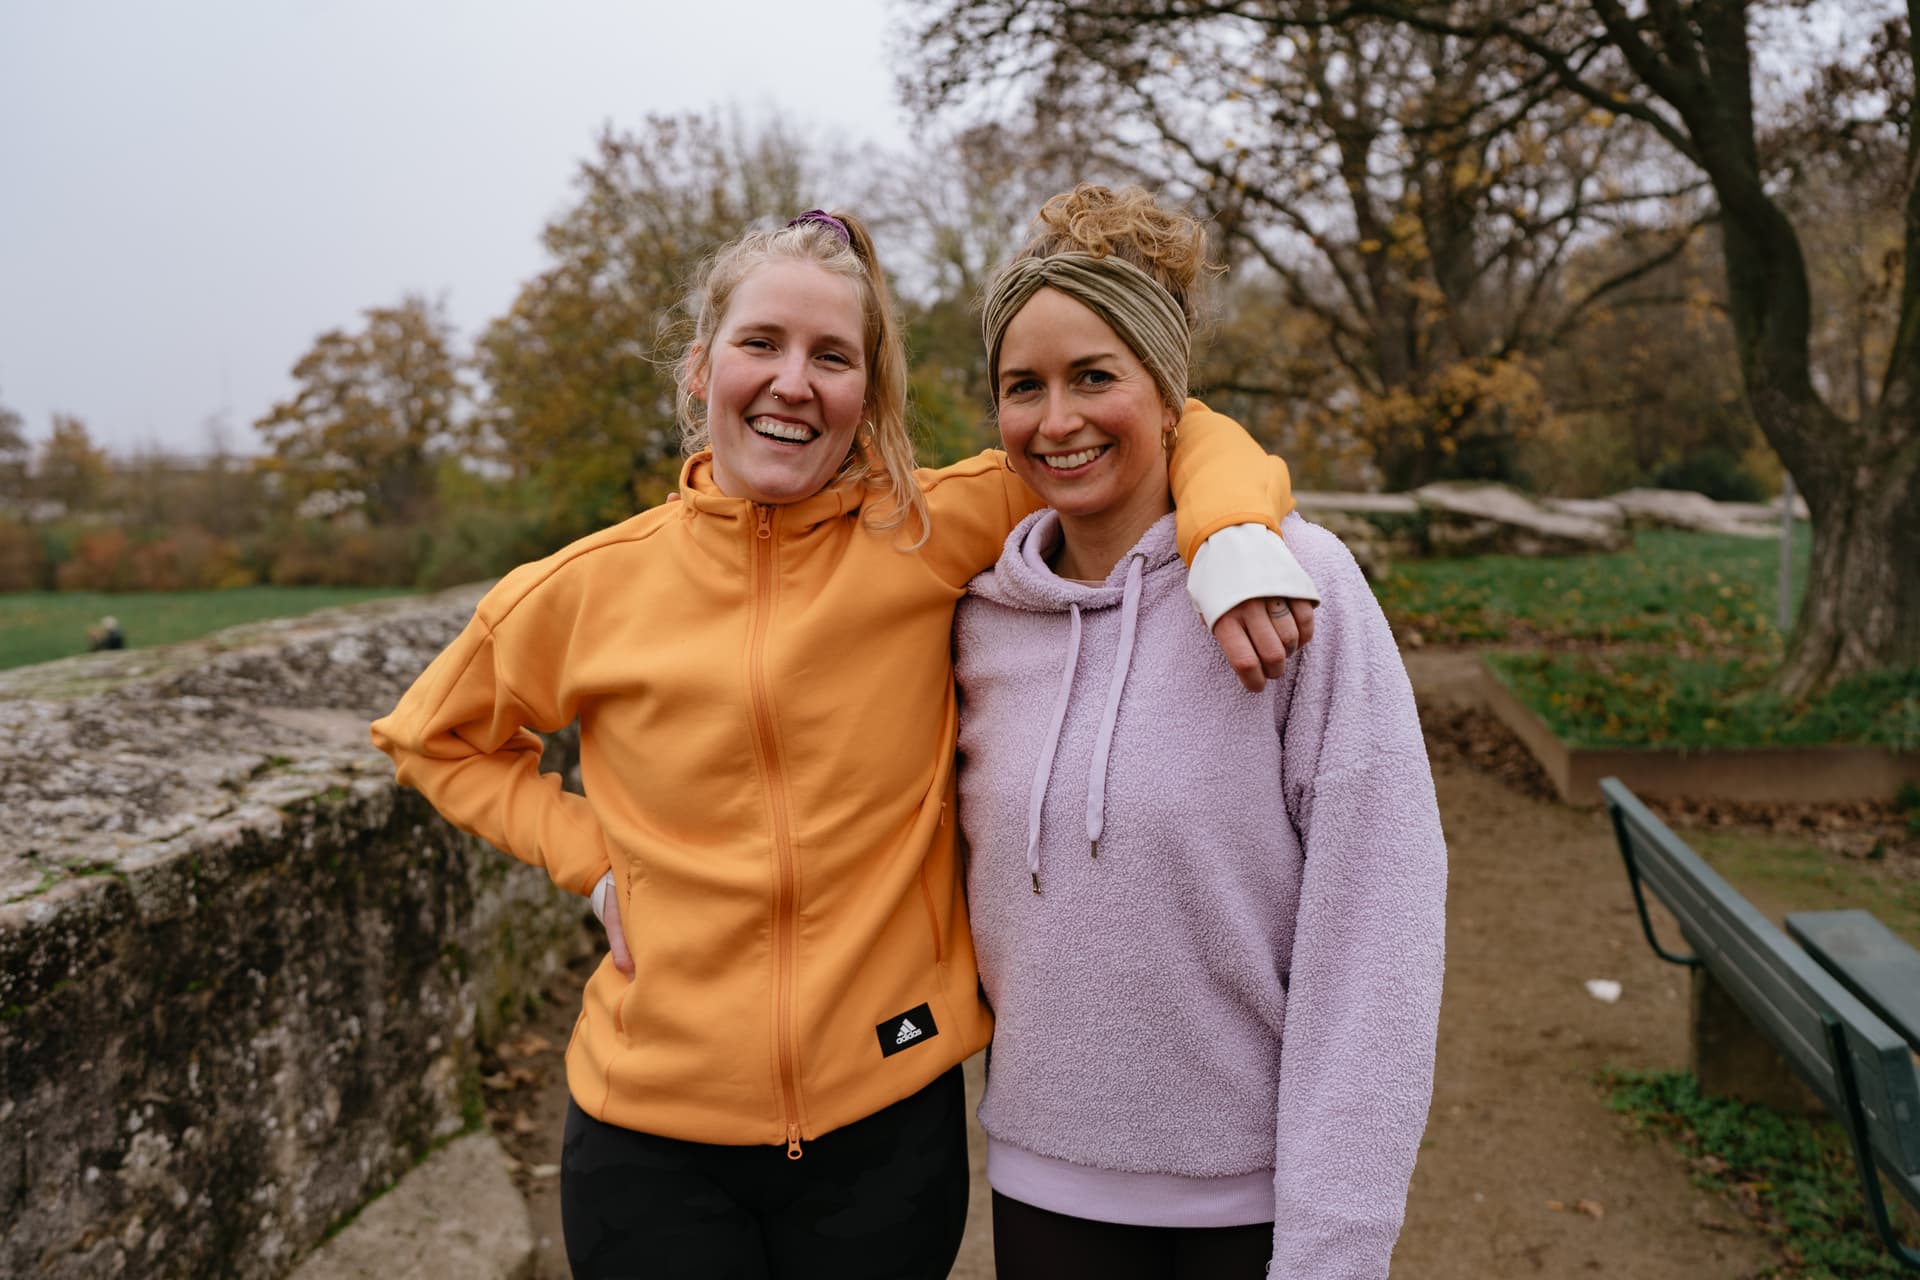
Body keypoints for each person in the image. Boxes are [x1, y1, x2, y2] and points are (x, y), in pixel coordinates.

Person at [370, 207, 1315, 1280]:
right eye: (761, 344)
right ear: (699, 367)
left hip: (886, 1125)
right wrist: (592, 861)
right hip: (647, 1140)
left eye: (833, 357)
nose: (793, 382)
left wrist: (1229, 534)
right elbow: (433, 738)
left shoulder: (930, 528)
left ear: (867, 397)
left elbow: (1178, 429)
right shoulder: (587, 587)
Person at [953, 185, 1447, 1280]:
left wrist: (1336, 1242)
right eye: (1021, 386)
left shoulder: (1300, 585)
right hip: (1040, 1187)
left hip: (1251, 1207)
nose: (1057, 418)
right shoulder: (980, 616)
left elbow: (1378, 928)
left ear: (1171, 397)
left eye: (1095, 376)